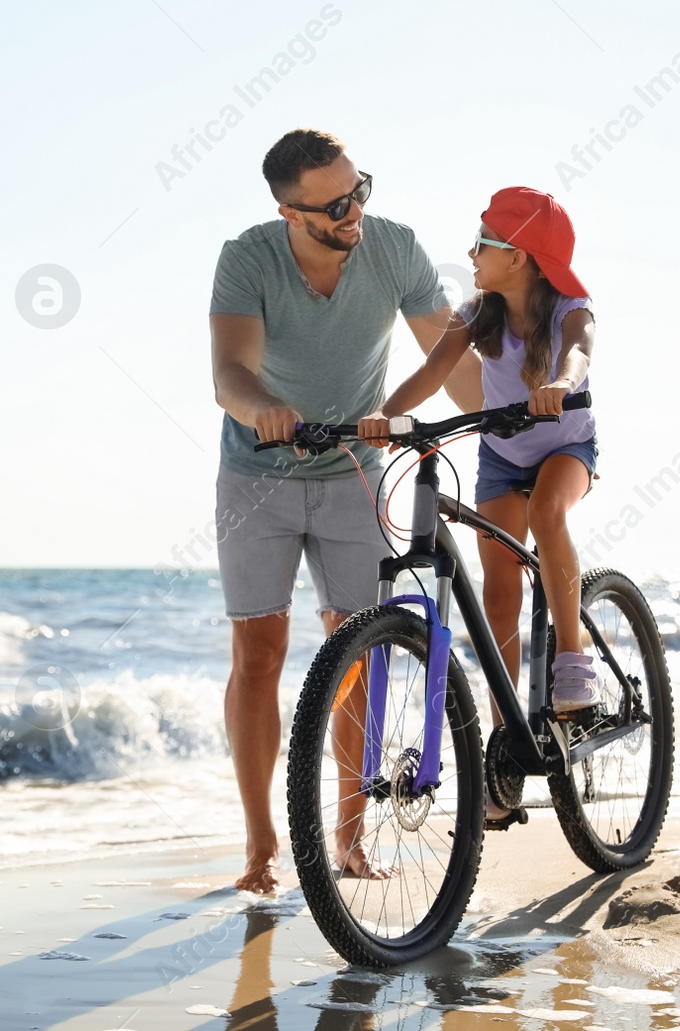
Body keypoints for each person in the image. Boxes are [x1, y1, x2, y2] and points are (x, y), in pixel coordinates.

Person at [209, 129, 480, 895]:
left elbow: (449, 356)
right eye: (334, 203)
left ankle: (351, 839)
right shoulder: (248, 258)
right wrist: (264, 407)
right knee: (258, 653)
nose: (353, 209)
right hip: (255, 475)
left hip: (353, 472)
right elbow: (229, 371)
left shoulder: (392, 248)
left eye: (359, 188)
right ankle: (262, 845)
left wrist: (513, 431)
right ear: (290, 212)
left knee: (358, 653)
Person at [359, 187, 599, 825]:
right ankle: (507, 749)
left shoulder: (571, 309)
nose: (471, 252)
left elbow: (578, 353)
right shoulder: (476, 314)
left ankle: (572, 664)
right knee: (498, 595)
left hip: (566, 447)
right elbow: (433, 373)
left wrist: (558, 385)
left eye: (483, 243)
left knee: (549, 514)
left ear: (519, 257)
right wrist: (385, 416)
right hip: (501, 456)